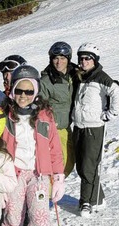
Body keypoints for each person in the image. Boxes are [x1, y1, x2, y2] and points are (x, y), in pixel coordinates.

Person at [0, 65, 65, 226]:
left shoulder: (45, 116)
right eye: (19, 90)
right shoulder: (4, 115)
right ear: (12, 90)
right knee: (12, 220)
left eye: (29, 91)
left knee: (40, 220)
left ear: (35, 92)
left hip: (39, 175)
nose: (23, 96)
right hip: (13, 174)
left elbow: (55, 148)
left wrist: (58, 176)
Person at [72, 42, 119, 217]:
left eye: (87, 59)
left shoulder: (101, 77)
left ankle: (87, 202)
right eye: (81, 58)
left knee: (88, 166)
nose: (83, 61)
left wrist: (110, 113)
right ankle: (98, 197)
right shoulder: (81, 76)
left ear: (94, 60)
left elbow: (116, 91)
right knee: (81, 166)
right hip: (79, 126)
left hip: (94, 128)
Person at [38, 42, 78, 178]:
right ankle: (48, 196)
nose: (59, 62)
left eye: (62, 58)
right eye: (55, 58)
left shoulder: (74, 76)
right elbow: (40, 107)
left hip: (68, 127)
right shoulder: (46, 81)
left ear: (68, 59)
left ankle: (54, 192)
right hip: (54, 129)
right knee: (58, 166)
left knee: (69, 163)